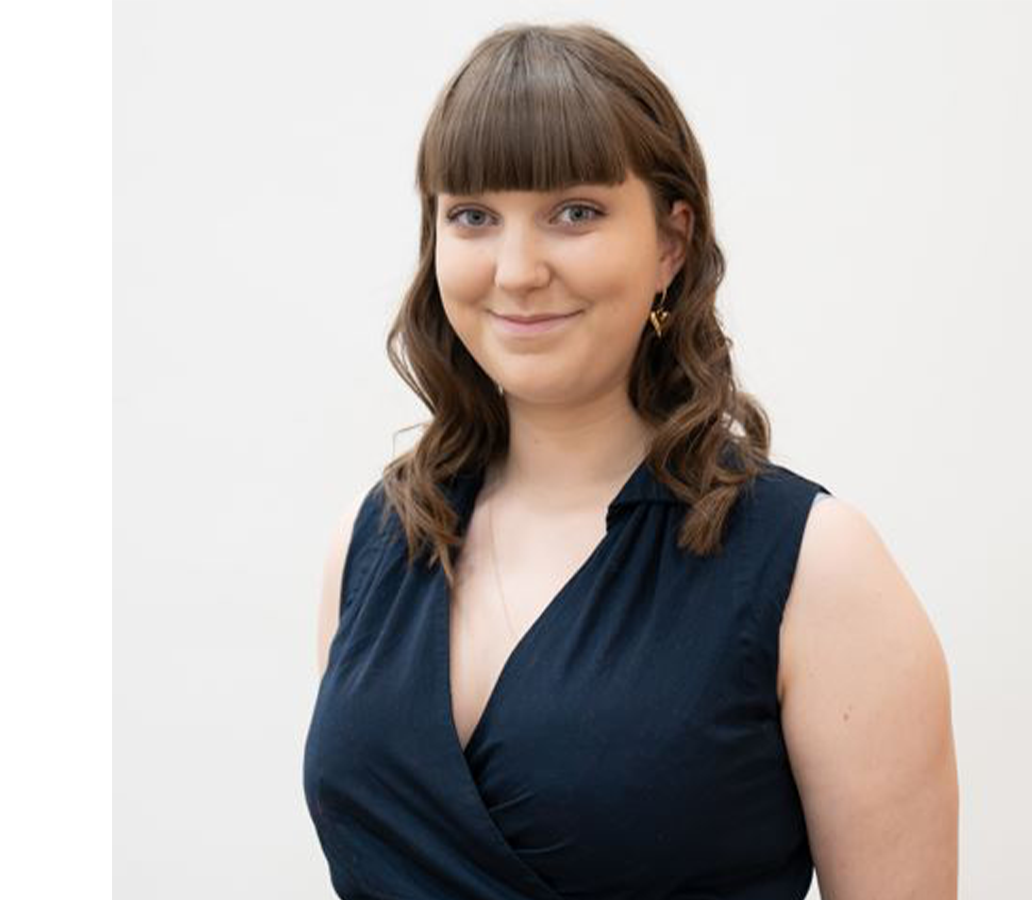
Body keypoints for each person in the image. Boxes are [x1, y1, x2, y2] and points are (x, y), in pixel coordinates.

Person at [304, 21, 958, 900]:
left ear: (671, 243)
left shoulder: (816, 565)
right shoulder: (375, 540)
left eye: (573, 213)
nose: (516, 269)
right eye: (472, 216)